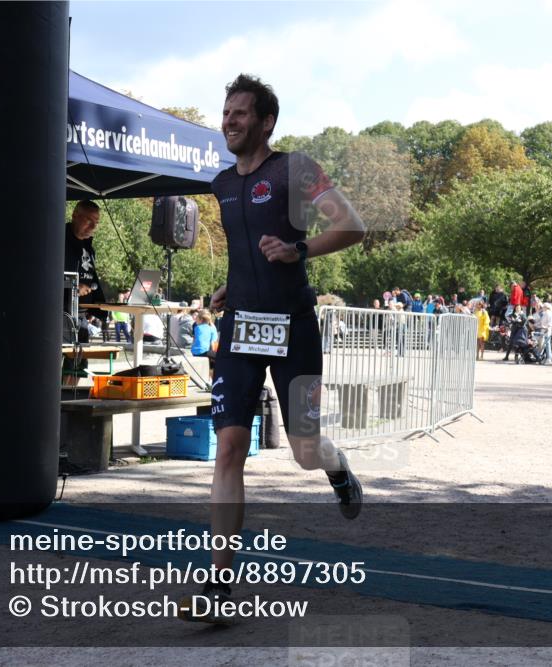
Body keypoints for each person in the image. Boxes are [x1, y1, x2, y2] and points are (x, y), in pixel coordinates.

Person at [180, 74, 366, 624]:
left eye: (240, 113)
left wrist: (297, 248)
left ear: (266, 122)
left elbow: (351, 226)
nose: (229, 121)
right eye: (226, 112)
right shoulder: (219, 184)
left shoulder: (295, 169)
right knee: (230, 445)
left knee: (304, 448)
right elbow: (245, 253)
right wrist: (231, 288)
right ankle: (217, 587)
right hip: (240, 325)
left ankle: (336, 468)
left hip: (294, 325)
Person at [64, 200, 107, 334]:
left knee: (82, 355)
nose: (94, 226)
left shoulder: (89, 248)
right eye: (89, 220)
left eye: (97, 222)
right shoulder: (57, 240)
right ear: (75, 215)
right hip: (60, 317)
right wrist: (73, 286)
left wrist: (94, 307)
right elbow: (44, 276)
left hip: (82, 317)